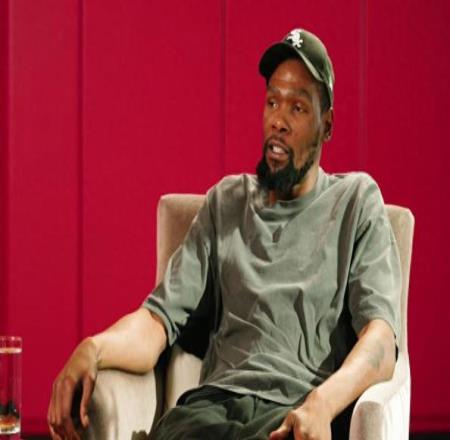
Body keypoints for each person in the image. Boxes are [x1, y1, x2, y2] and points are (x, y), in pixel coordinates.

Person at [47, 28, 401, 440]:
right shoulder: (225, 203)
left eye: (298, 108)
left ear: (327, 125)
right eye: (272, 102)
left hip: (291, 414)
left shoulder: (355, 202)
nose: (278, 121)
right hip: (208, 411)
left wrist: (322, 403)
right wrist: (94, 348)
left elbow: (381, 339)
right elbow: (157, 321)